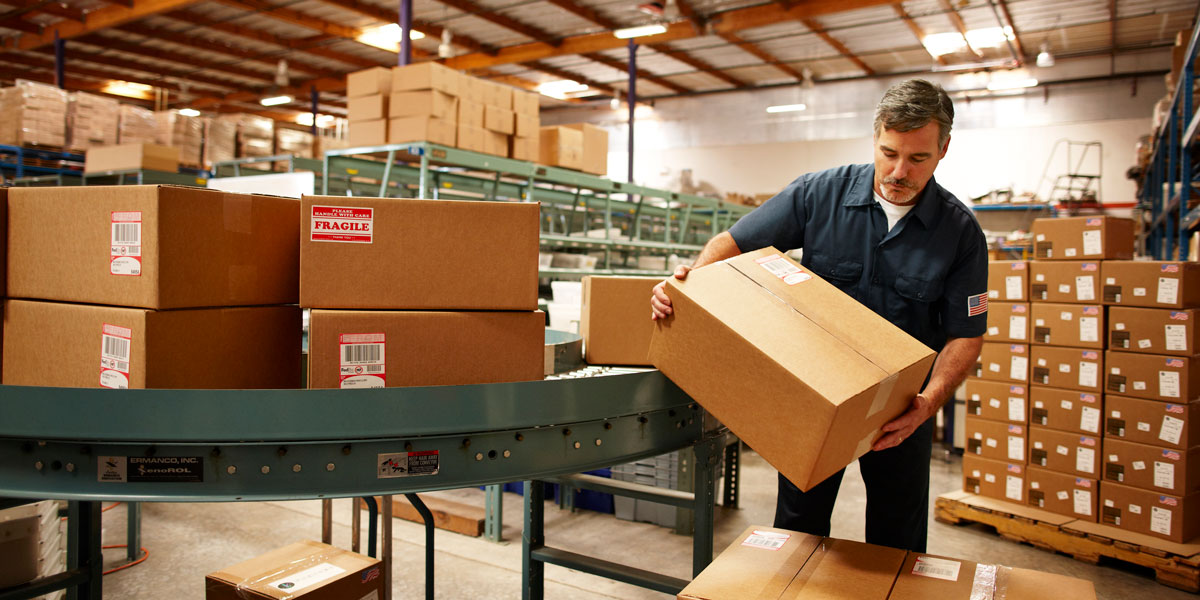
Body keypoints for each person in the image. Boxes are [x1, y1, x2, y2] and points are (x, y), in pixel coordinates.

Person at [649, 79, 986, 553]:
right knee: (798, 527)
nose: (898, 171)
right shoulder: (818, 195)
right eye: (889, 153)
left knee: (898, 538)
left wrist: (928, 403)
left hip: (902, 410)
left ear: (944, 149)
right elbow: (733, 244)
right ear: (875, 136)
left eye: (917, 159)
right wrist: (687, 285)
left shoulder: (960, 232)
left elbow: (966, 334)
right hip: (815, 397)